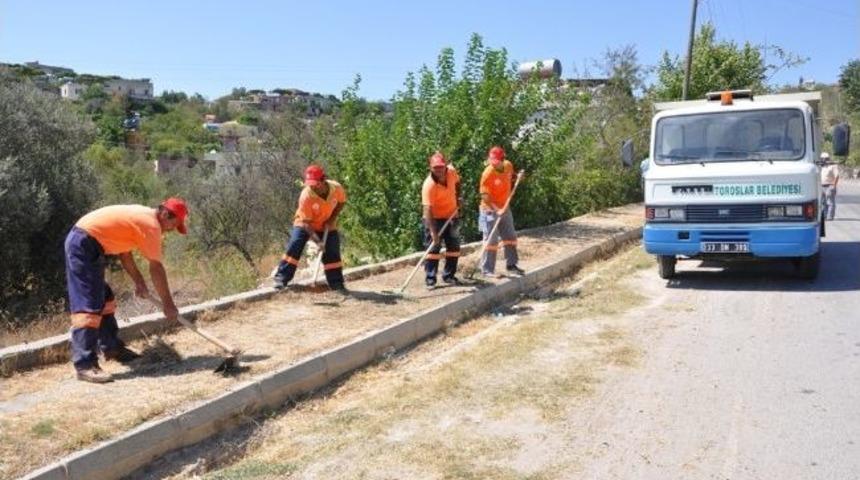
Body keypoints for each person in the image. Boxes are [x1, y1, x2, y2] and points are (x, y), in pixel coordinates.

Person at [65, 198, 188, 383]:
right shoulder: (151, 225)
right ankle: (85, 365)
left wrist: (139, 282)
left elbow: (125, 253)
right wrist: (168, 304)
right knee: (88, 303)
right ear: (165, 214)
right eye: (174, 224)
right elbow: (156, 268)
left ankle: (112, 347)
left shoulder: (143, 219)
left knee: (105, 298)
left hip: (88, 242)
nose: (171, 230)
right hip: (83, 243)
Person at [274, 165, 347, 291]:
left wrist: (331, 219)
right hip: (305, 223)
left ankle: (336, 283)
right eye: (310, 184)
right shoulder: (306, 195)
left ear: (323, 180)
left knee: (332, 250)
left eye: (315, 183)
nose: (312, 186)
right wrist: (318, 242)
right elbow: (306, 223)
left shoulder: (336, 188)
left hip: (326, 224)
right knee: (295, 244)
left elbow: (341, 202)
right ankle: (281, 278)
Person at [478, 146, 525, 277]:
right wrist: (496, 209)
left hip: (505, 207)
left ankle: (511, 264)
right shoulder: (487, 173)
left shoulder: (508, 166)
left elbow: (511, 178)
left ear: (502, 159)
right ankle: (487, 270)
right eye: (492, 159)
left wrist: (519, 178)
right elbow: (484, 196)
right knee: (491, 241)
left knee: (510, 237)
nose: (494, 162)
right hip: (488, 210)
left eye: (496, 160)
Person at [421, 152, 462, 289]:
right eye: (435, 167)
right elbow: (428, 210)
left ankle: (449, 276)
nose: (439, 170)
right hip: (434, 218)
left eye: (441, 167)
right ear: (430, 168)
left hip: (452, 215)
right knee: (433, 248)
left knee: (454, 247)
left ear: (445, 166)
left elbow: (457, 184)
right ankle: (431, 278)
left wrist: (459, 199)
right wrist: (433, 232)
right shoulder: (429, 185)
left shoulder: (451, 172)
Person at [820, 152, 840, 221]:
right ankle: (825, 215)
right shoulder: (821, 166)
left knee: (830, 202)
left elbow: (837, 175)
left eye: (825, 159)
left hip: (829, 185)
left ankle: (830, 216)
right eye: (822, 159)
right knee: (823, 202)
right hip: (821, 186)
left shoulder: (832, 166)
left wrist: (834, 185)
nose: (823, 160)